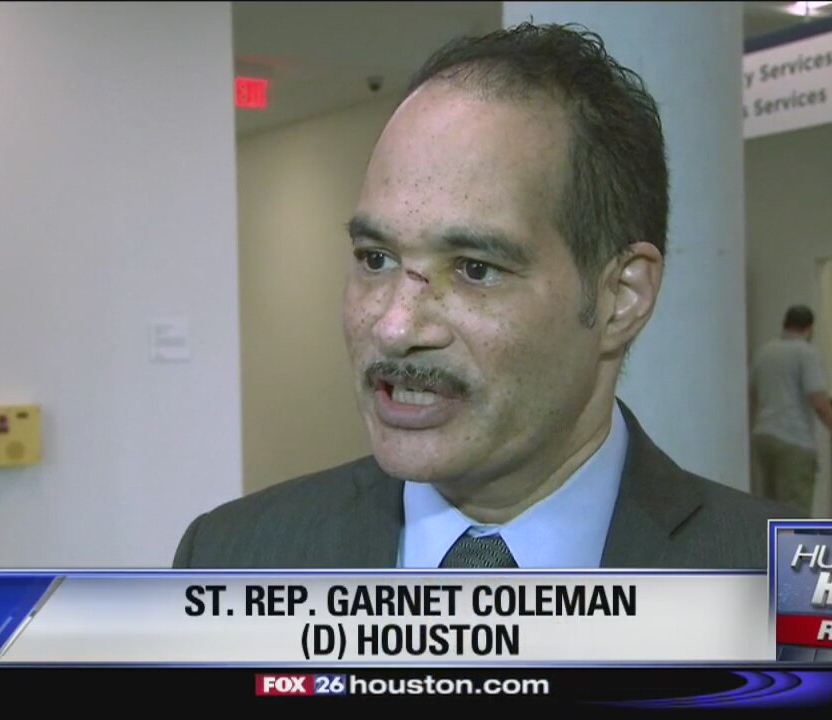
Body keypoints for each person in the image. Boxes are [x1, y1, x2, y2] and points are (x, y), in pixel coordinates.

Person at [174, 22, 796, 571]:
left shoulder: (796, 590)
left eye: (475, 268)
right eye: (376, 258)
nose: (395, 327)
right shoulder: (231, 558)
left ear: (620, 296)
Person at [748, 306, 832, 516]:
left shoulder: (765, 352)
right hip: (793, 440)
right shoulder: (806, 353)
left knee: (769, 510)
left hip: (764, 437)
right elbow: (819, 401)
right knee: (795, 512)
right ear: (809, 328)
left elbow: (753, 392)